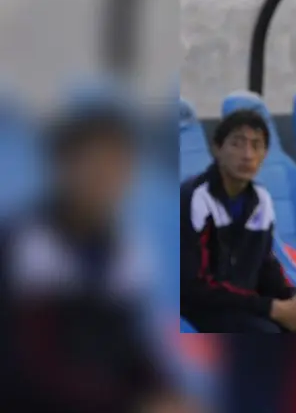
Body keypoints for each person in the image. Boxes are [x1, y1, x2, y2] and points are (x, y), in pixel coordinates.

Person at [0, 99, 198, 412]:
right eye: (92, 165)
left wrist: (166, 393)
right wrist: (131, 403)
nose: (104, 179)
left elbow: (131, 349)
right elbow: (28, 368)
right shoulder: (23, 247)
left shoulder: (122, 250)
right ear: (62, 167)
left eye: (116, 167)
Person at [181, 109, 296, 333]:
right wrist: (271, 308)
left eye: (256, 145)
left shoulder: (261, 201)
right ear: (217, 149)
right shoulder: (195, 198)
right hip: (200, 309)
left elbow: (267, 266)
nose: (247, 155)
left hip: (244, 306)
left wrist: (294, 299)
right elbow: (195, 287)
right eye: (237, 143)